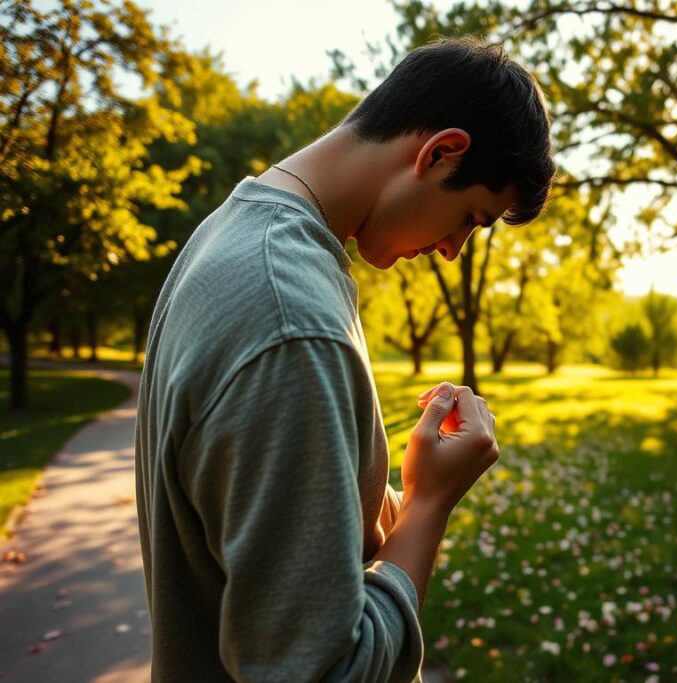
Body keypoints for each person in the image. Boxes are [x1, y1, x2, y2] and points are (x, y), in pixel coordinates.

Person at [134, 36, 556, 682]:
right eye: (470, 218)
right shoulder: (290, 315)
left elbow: (264, 518)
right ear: (441, 151)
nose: (452, 249)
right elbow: (324, 671)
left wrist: (396, 493)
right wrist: (429, 506)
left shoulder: (236, 232)